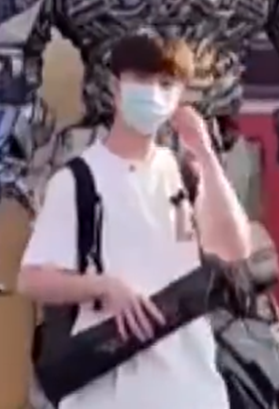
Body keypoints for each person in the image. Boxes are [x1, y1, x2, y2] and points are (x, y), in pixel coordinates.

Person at [17, 34, 252, 409]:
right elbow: (32, 279)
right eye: (141, 80)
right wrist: (104, 287)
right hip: (108, 389)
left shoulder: (184, 172)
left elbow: (234, 249)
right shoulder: (78, 180)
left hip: (191, 387)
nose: (154, 93)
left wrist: (206, 156)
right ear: (115, 87)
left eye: (167, 84)